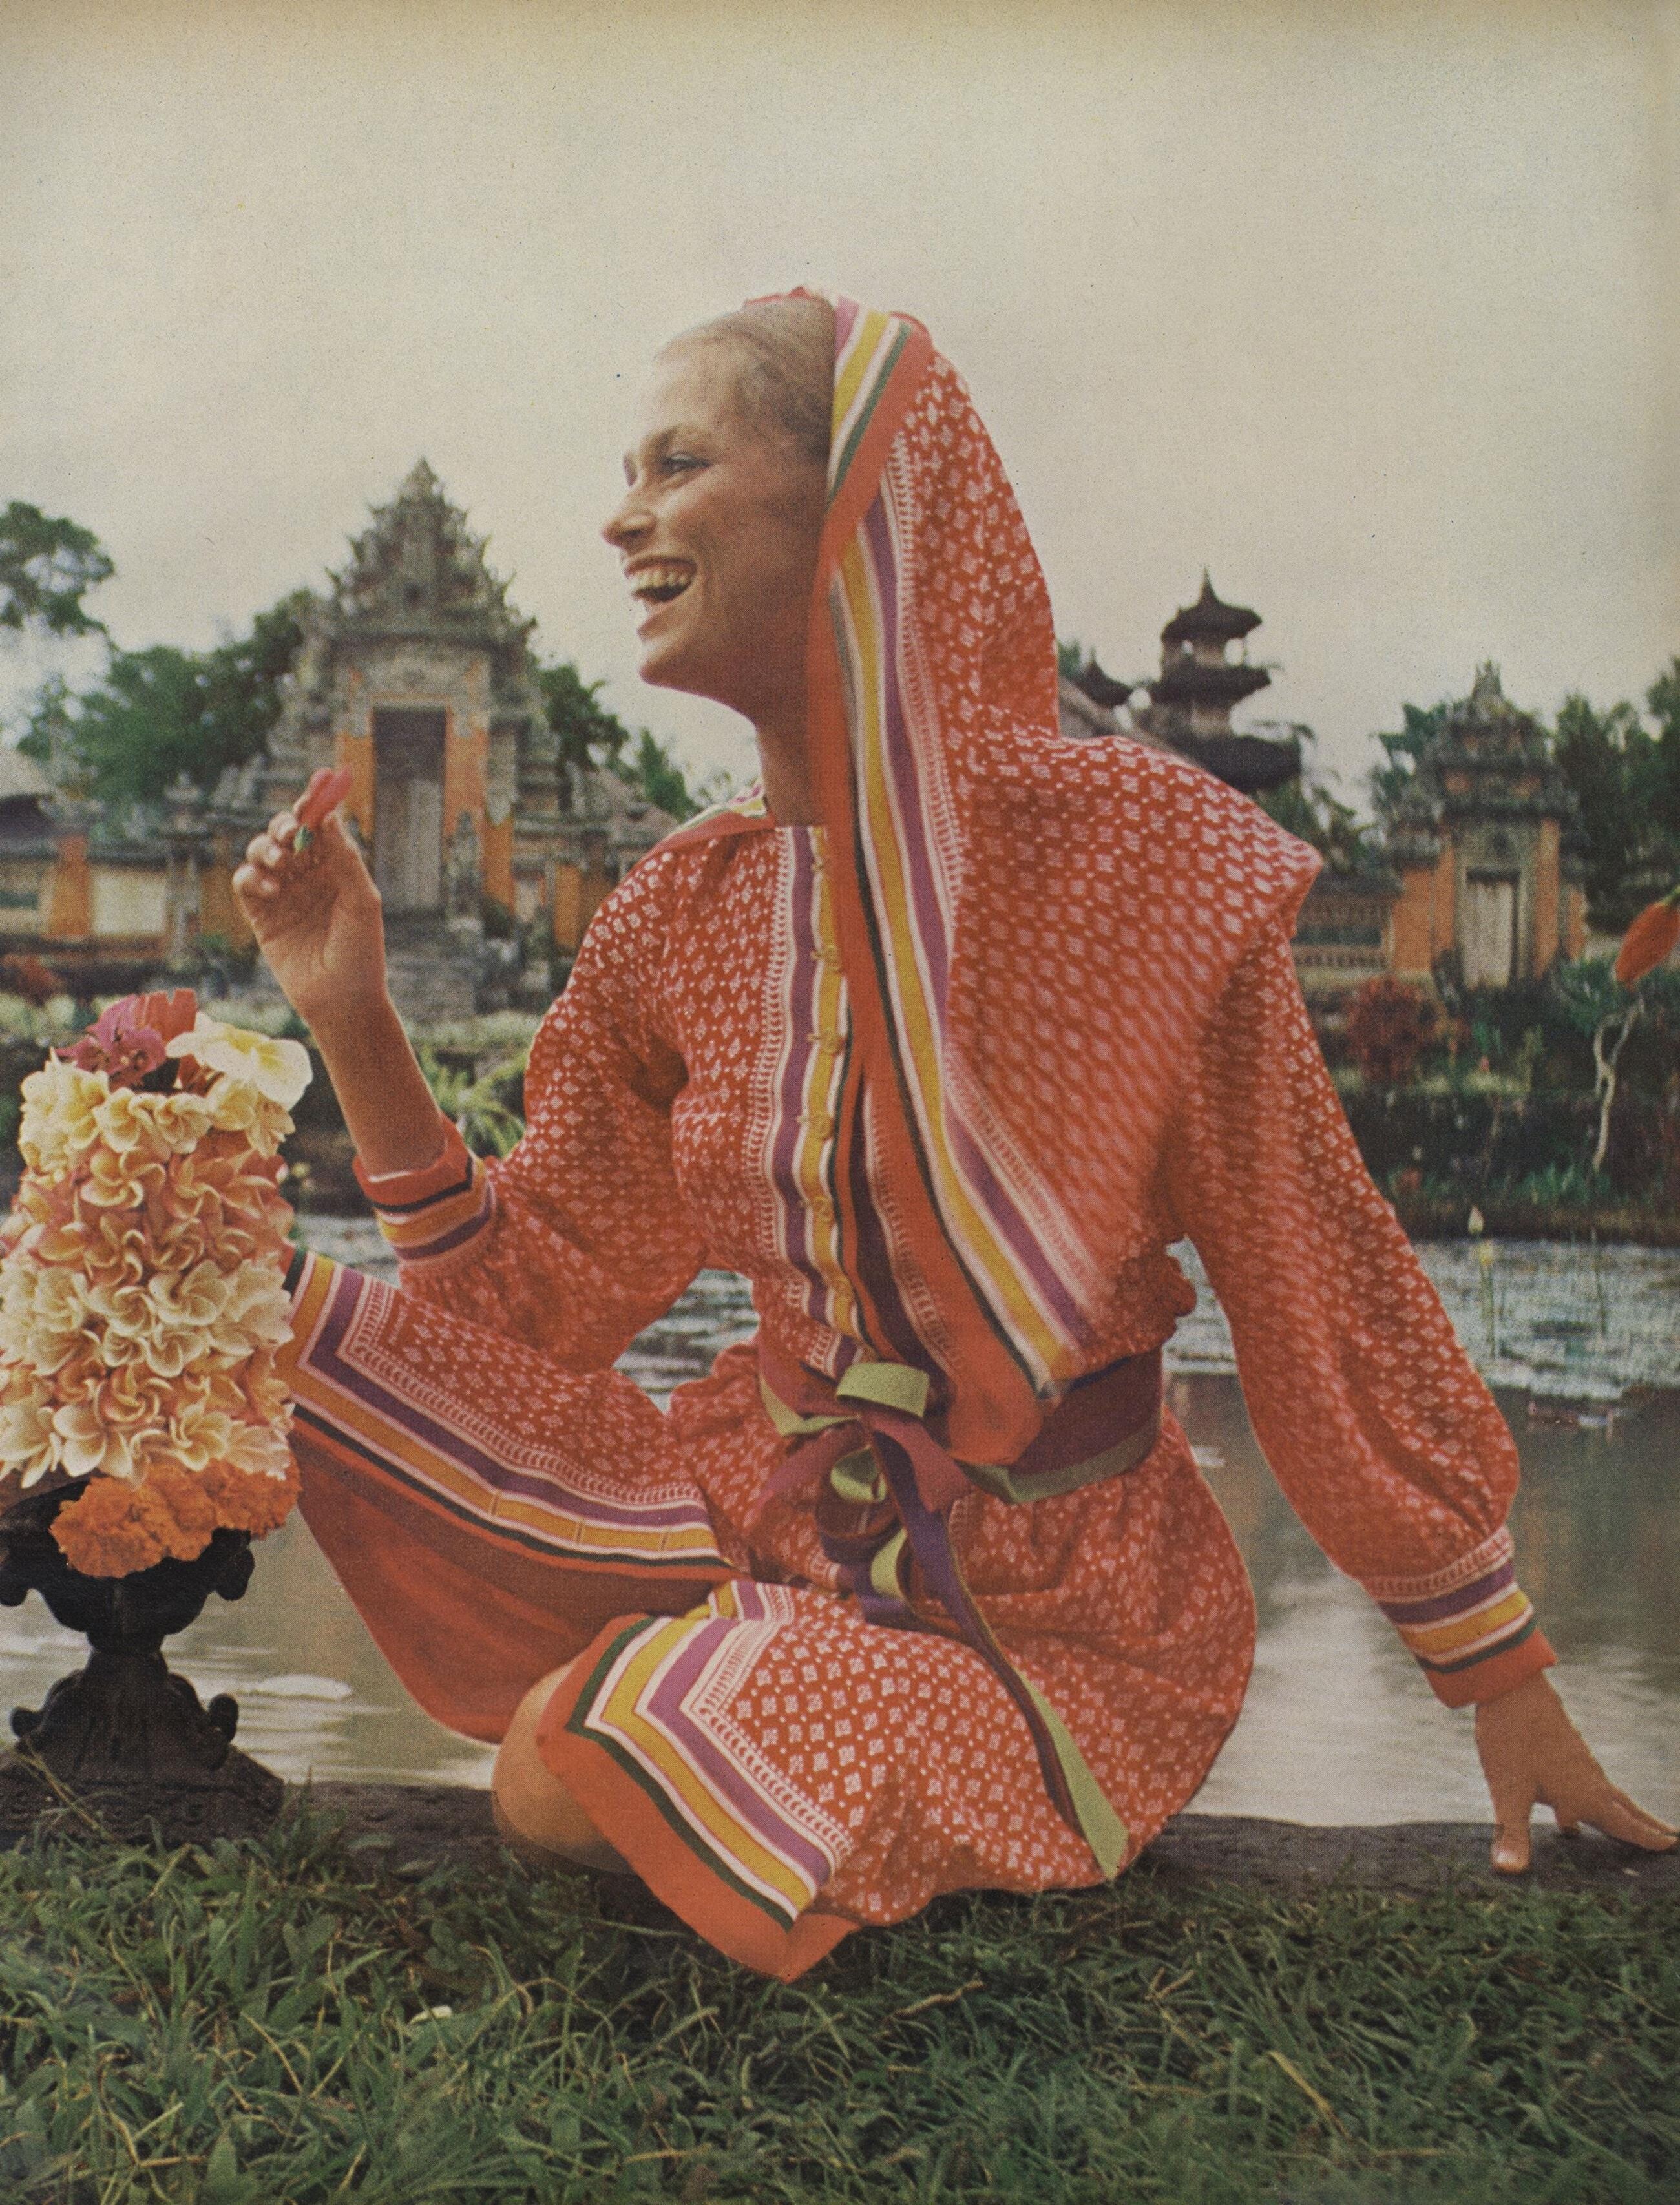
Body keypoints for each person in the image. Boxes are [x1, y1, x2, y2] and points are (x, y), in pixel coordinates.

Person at [237, 292, 1674, 1979]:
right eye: (625, 473)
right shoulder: (682, 907)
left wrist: (1495, 1665)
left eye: (679, 464)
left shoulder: (1131, 864)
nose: (623, 518)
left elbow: (1307, 1266)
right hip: (749, 1515)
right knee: (247, 1309)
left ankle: (757, 1708)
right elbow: (535, 1305)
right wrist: (351, 1014)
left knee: (560, 1770)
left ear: (860, 502)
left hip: (1054, 1617)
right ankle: (724, 1673)